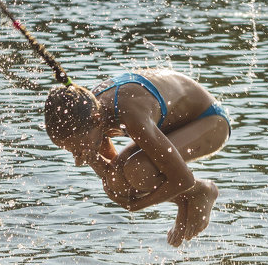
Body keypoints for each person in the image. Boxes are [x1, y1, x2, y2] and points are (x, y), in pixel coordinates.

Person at [44, 69, 231, 246]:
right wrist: (93, 159)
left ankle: (201, 190)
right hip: (171, 127)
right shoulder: (90, 114)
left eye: (79, 149)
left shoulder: (129, 113)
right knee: (119, 181)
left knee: (139, 170)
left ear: (97, 120)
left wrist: (136, 206)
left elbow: (183, 177)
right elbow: (113, 176)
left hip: (210, 121)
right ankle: (185, 199)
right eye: (72, 152)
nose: (77, 160)